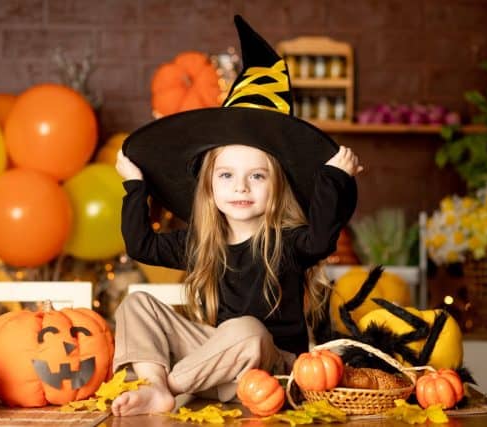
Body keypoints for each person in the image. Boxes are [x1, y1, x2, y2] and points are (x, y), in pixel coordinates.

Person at [110, 16, 363, 417]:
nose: (241, 187)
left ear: (277, 187)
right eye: (227, 175)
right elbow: (140, 245)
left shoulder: (288, 240)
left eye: (257, 176)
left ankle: (168, 385)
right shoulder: (202, 242)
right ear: (208, 186)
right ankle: (162, 385)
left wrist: (334, 178)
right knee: (137, 303)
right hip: (219, 363)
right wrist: (134, 186)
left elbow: (322, 241)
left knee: (247, 329)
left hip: (271, 366)